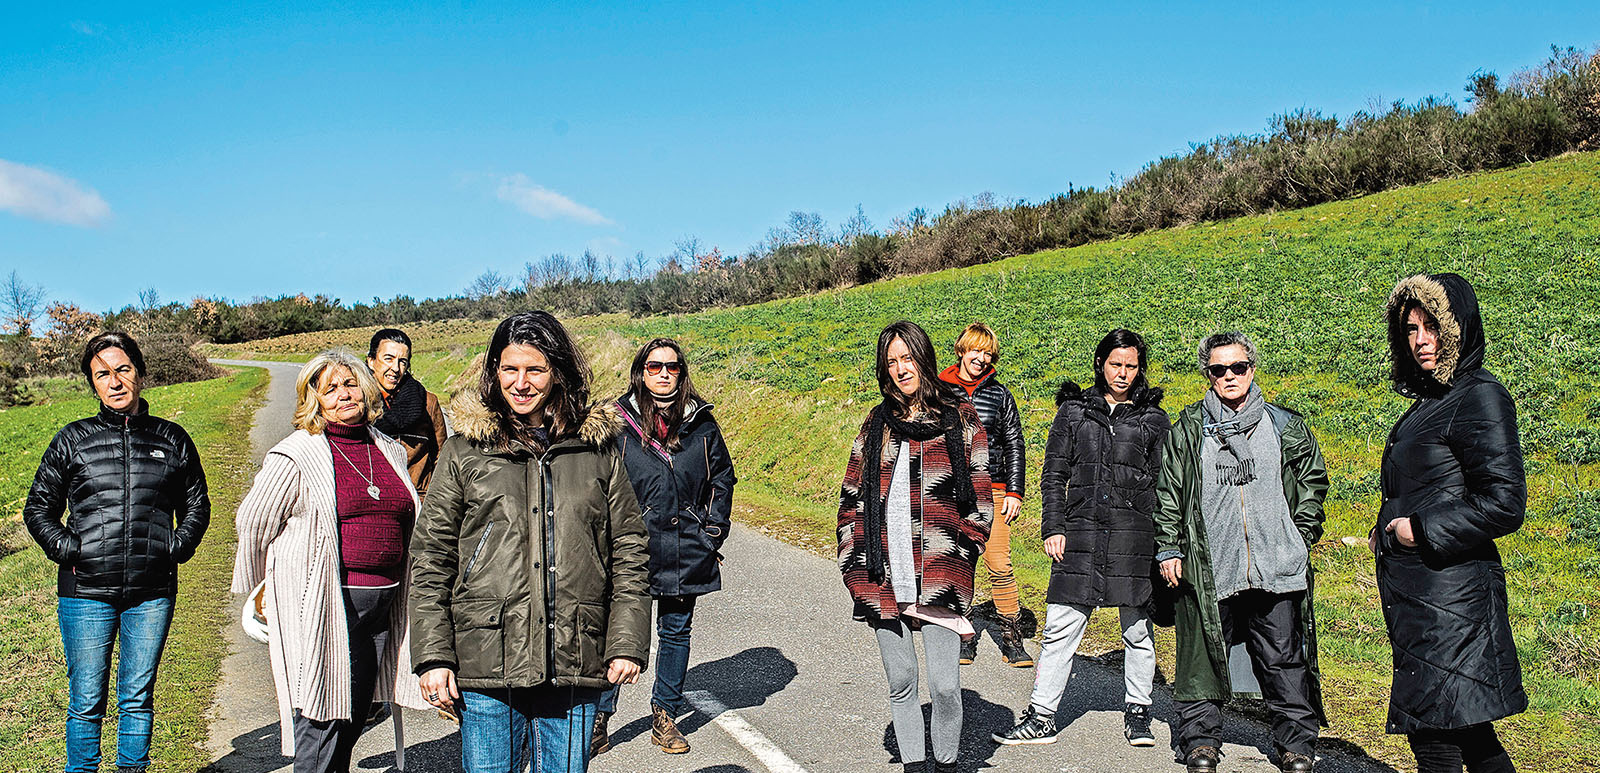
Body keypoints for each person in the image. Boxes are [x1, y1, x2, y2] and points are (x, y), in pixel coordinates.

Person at [409, 311, 651, 773]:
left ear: (557, 372)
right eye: (509, 368)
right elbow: (431, 559)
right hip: (485, 659)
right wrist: (433, 657)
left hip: (575, 657)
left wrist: (627, 641)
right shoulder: (464, 453)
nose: (521, 383)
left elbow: (630, 552)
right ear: (493, 372)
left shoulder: (598, 452)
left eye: (535, 369)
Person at [232, 349, 428, 773]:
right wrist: (273, 581)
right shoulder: (297, 454)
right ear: (313, 400)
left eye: (351, 383)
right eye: (330, 388)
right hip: (325, 603)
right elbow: (253, 520)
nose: (344, 395)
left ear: (367, 388)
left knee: (354, 715)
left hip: (381, 606)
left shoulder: (388, 450)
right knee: (321, 718)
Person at [24, 332, 210, 773]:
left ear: (140, 374)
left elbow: (197, 504)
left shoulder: (172, 439)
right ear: (93, 384)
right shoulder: (73, 440)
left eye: (123, 369)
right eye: (102, 373)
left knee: (138, 697)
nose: (115, 381)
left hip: (152, 591)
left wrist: (175, 548)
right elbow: (39, 508)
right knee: (86, 699)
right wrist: (72, 549)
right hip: (84, 591)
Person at [1154, 331, 1328, 773]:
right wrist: (1170, 548)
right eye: (1218, 370)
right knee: (1201, 655)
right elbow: (1169, 492)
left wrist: (1300, 534)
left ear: (1252, 368)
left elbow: (1312, 480)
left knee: (1283, 656)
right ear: (1207, 375)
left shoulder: (1284, 425)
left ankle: (1296, 746)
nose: (1229, 376)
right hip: (1211, 563)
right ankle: (1200, 742)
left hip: (1276, 561)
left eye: (1238, 367)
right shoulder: (1190, 430)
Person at [1375, 274, 1526, 773]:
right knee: (1460, 729)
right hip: (1424, 595)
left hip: (1452, 595)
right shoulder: (1432, 401)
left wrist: (1418, 528)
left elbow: (1504, 502)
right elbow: (1428, 484)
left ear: (1458, 327)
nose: (1420, 340)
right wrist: (1387, 524)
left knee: (1439, 735)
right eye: (1411, 328)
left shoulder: (1478, 396)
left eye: (1432, 327)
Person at [992, 329, 1169, 749]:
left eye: (1130, 366)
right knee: (1060, 628)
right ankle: (1041, 716)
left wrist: (1166, 545)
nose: (1123, 373)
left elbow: (1167, 485)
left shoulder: (1154, 419)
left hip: (1133, 535)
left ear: (1139, 368)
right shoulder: (1073, 412)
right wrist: (1053, 526)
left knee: (1138, 631)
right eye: (1115, 364)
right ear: (1100, 363)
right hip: (1081, 531)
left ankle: (1139, 712)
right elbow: (1054, 474)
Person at [837, 320, 993, 773]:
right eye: (892, 363)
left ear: (923, 358)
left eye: (907, 358)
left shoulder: (960, 418)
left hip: (942, 568)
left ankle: (945, 765)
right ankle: (913, 765)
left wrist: (967, 544)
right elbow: (851, 495)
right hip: (883, 573)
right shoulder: (877, 423)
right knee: (902, 681)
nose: (901, 370)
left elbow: (981, 489)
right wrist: (852, 555)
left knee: (944, 685)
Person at [591, 337, 737, 757]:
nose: (663, 374)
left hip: (687, 545)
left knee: (675, 632)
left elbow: (722, 478)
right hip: (629, 549)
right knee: (617, 634)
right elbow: (596, 485)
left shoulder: (703, 424)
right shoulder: (616, 425)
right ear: (641, 372)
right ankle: (601, 716)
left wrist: (712, 531)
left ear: (681, 372)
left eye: (671, 367)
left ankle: (665, 716)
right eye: (654, 367)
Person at [937, 322, 1032, 667]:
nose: (982, 357)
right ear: (962, 350)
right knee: (960, 563)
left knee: (999, 563)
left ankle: (1012, 637)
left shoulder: (1000, 395)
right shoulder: (938, 391)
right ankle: (964, 636)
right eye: (976, 350)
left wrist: (1015, 491)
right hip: (949, 490)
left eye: (988, 353)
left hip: (991, 490)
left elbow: (1013, 443)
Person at [366, 328, 448, 496]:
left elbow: (442, 458)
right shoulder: (356, 402)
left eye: (402, 361)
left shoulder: (428, 403)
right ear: (371, 361)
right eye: (388, 359)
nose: (396, 368)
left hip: (417, 502)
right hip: (372, 501)